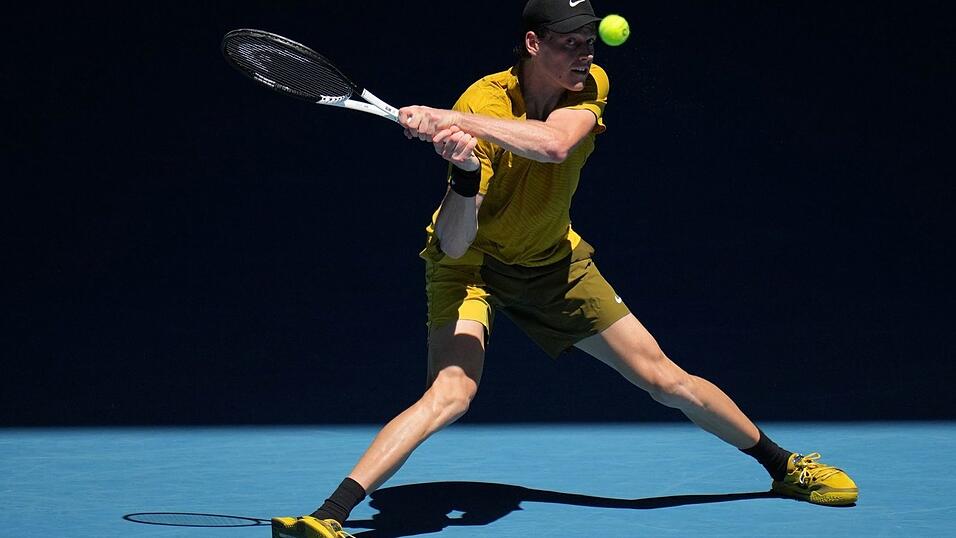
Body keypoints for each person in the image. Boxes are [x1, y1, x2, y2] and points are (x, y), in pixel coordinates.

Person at [272, 1, 858, 536]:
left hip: (554, 261)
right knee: (451, 393)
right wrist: (464, 172)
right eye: (570, 42)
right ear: (533, 44)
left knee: (663, 379)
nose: (585, 53)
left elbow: (554, 145)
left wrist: (452, 121)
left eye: (589, 41)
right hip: (473, 264)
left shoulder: (588, 86)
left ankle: (784, 468)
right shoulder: (484, 100)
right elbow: (453, 245)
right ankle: (330, 515)